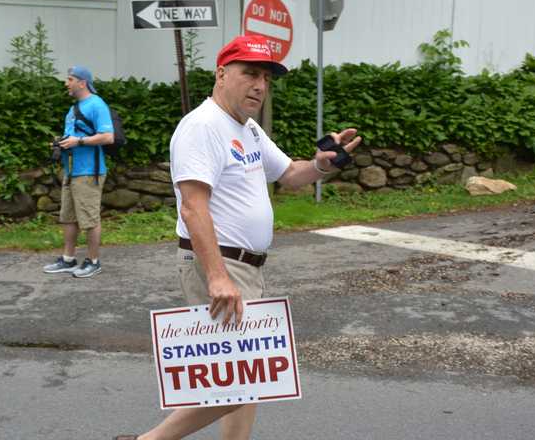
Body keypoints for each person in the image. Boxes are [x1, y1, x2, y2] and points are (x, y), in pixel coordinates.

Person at [113, 35, 362, 440]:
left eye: (265, 77)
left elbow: (290, 175)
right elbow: (192, 206)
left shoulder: (247, 130)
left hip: (247, 267)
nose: (260, 85)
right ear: (221, 73)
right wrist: (216, 276)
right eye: (250, 73)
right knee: (239, 379)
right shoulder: (202, 126)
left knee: (248, 379)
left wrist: (322, 164)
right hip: (221, 265)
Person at [43, 66, 115, 278]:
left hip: (89, 172)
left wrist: (79, 141)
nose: (66, 83)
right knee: (69, 217)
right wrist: (61, 143)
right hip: (72, 171)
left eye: (70, 79)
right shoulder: (74, 108)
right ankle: (68, 259)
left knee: (90, 219)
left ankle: (93, 261)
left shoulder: (97, 104)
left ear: (82, 82)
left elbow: (108, 137)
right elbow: (74, 137)